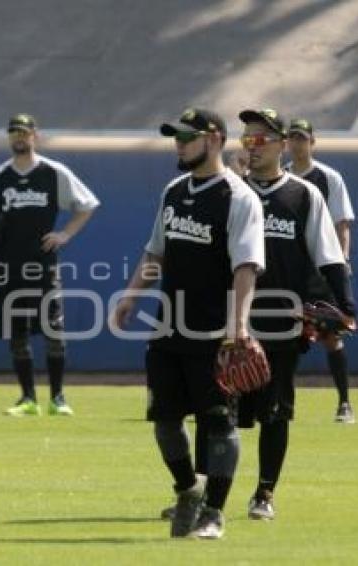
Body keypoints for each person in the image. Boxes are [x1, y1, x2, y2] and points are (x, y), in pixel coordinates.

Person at [112, 108, 265, 539]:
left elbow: (247, 266)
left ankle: (214, 513)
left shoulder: (238, 197)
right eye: (175, 137)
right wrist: (130, 296)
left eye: (187, 136)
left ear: (214, 139)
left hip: (214, 331)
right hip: (168, 328)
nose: (179, 143)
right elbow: (155, 252)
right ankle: (187, 488)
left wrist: (238, 325)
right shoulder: (175, 191)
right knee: (164, 421)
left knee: (218, 423)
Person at [237, 108, 357, 520]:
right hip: (229, 320)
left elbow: (329, 254)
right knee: (218, 410)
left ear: (282, 144)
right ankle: (203, 493)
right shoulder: (231, 191)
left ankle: (264, 494)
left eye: (261, 139)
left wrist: (344, 301)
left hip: (281, 318)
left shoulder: (304, 195)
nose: (252, 146)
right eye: (247, 139)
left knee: (275, 411)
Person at [0, 114, 99, 417]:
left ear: (35, 135)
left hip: (43, 266)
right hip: (8, 265)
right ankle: (28, 399)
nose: (18, 138)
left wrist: (65, 233)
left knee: (54, 330)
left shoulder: (52, 172)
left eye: (24, 132)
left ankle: (58, 398)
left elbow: (87, 204)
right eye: (13, 133)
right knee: (17, 334)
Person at [285, 118, 357, 423]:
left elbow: (341, 224)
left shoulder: (328, 177)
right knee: (284, 336)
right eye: (293, 138)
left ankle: (344, 403)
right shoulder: (281, 176)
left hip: (321, 270)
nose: (297, 143)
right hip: (289, 270)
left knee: (331, 336)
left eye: (302, 138)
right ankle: (280, 403)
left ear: (312, 142)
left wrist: (341, 262)